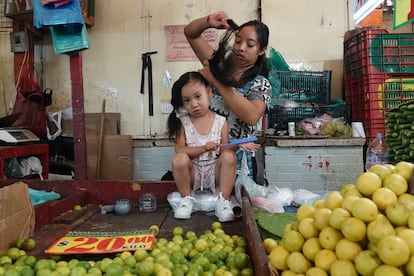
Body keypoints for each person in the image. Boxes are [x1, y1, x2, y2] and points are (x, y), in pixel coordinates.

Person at [184, 11, 272, 179]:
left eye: (250, 44)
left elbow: (252, 116)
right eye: (238, 40)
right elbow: (190, 33)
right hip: (205, 156)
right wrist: (208, 21)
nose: (241, 48)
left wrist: (216, 81)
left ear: (261, 50)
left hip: (238, 162)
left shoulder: (260, 84)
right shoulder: (218, 67)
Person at [167, 71, 237, 222]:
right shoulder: (183, 122)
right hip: (193, 173)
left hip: (214, 173)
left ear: (209, 92)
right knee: (179, 159)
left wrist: (239, 145)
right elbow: (179, 150)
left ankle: (223, 201)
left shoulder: (221, 121)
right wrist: (203, 148)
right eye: (187, 100)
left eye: (198, 97)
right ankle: (186, 200)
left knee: (229, 156)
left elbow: (225, 151)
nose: (194, 104)